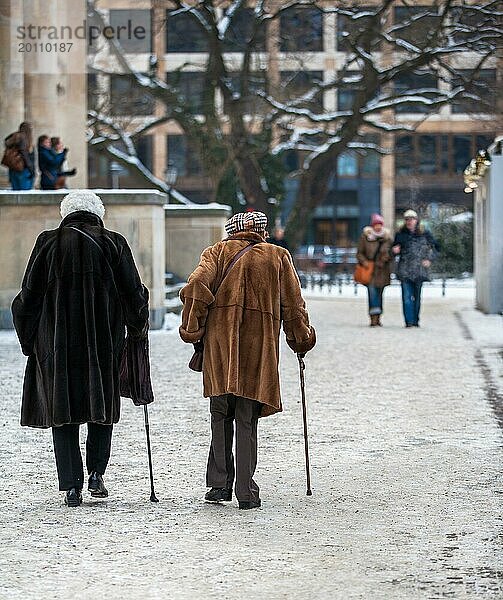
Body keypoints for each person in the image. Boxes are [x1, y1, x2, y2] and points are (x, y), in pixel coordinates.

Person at [12, 191, 149, 507]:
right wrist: (138, 329)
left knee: (63, 410)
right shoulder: (114, 242)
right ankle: (96, 474)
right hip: (104, 343)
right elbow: (135, 294)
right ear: (97, 213)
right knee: (101, 407)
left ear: (66, 213)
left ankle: (72, 485)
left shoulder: (48, 242)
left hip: (56, 344)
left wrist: (28, 340)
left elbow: (27, 298)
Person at [179, 211, 316, 510]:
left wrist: (192, 329)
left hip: (219, 347)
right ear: (262, 231)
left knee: (219, 413)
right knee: (246, 417)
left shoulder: (215, 252)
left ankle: (218, 485)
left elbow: (196, 288)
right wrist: (301, 340)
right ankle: (245, 490)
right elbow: (294, 307)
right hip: (257, 349)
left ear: (231, 231)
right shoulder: (278, 257)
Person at [392, 209, 440, 328]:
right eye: (407, 220)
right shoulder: (400, 235)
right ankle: (409, 322)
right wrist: (394, 251)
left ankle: (415, 320)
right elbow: (392, 251)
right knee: (407, 298)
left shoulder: (425, 234)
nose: (409, 222)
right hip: (405, 270)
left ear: (416, 221)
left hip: (419, 271)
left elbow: (437, 248)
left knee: (417, 298)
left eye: (411, 219)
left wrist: (429, 259)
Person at [356, 213, 393, 327]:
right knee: (372, 294)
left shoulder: (387, 238)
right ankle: (373, 318)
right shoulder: (365, 237)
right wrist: (365, 262)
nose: (378, 227)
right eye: (376, 224)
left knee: (379, 294)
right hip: (370, 270)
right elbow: (359, 253)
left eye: (379, 224)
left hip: (382, 270)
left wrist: (384, 259)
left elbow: (390, 253)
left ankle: (379, 317)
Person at [2, 122, 35, 190]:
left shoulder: (14, 137)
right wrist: (31, 169)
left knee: (16, 192)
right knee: (25, 195)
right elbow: (24, 154)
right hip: (23, 169)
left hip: (13, 168)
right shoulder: (23, 138)